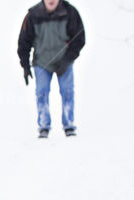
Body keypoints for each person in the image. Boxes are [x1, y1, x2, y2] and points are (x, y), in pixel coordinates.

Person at [17, 0, 86, 138]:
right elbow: (24, 42)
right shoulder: (32, 15)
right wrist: (25, 65)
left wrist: (67, 60)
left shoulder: (70, 12)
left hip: (64, 61)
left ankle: (69, 125)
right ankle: (44, 126)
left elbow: (79, 38)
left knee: (67, 92)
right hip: (42, 62)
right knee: (42, 93)